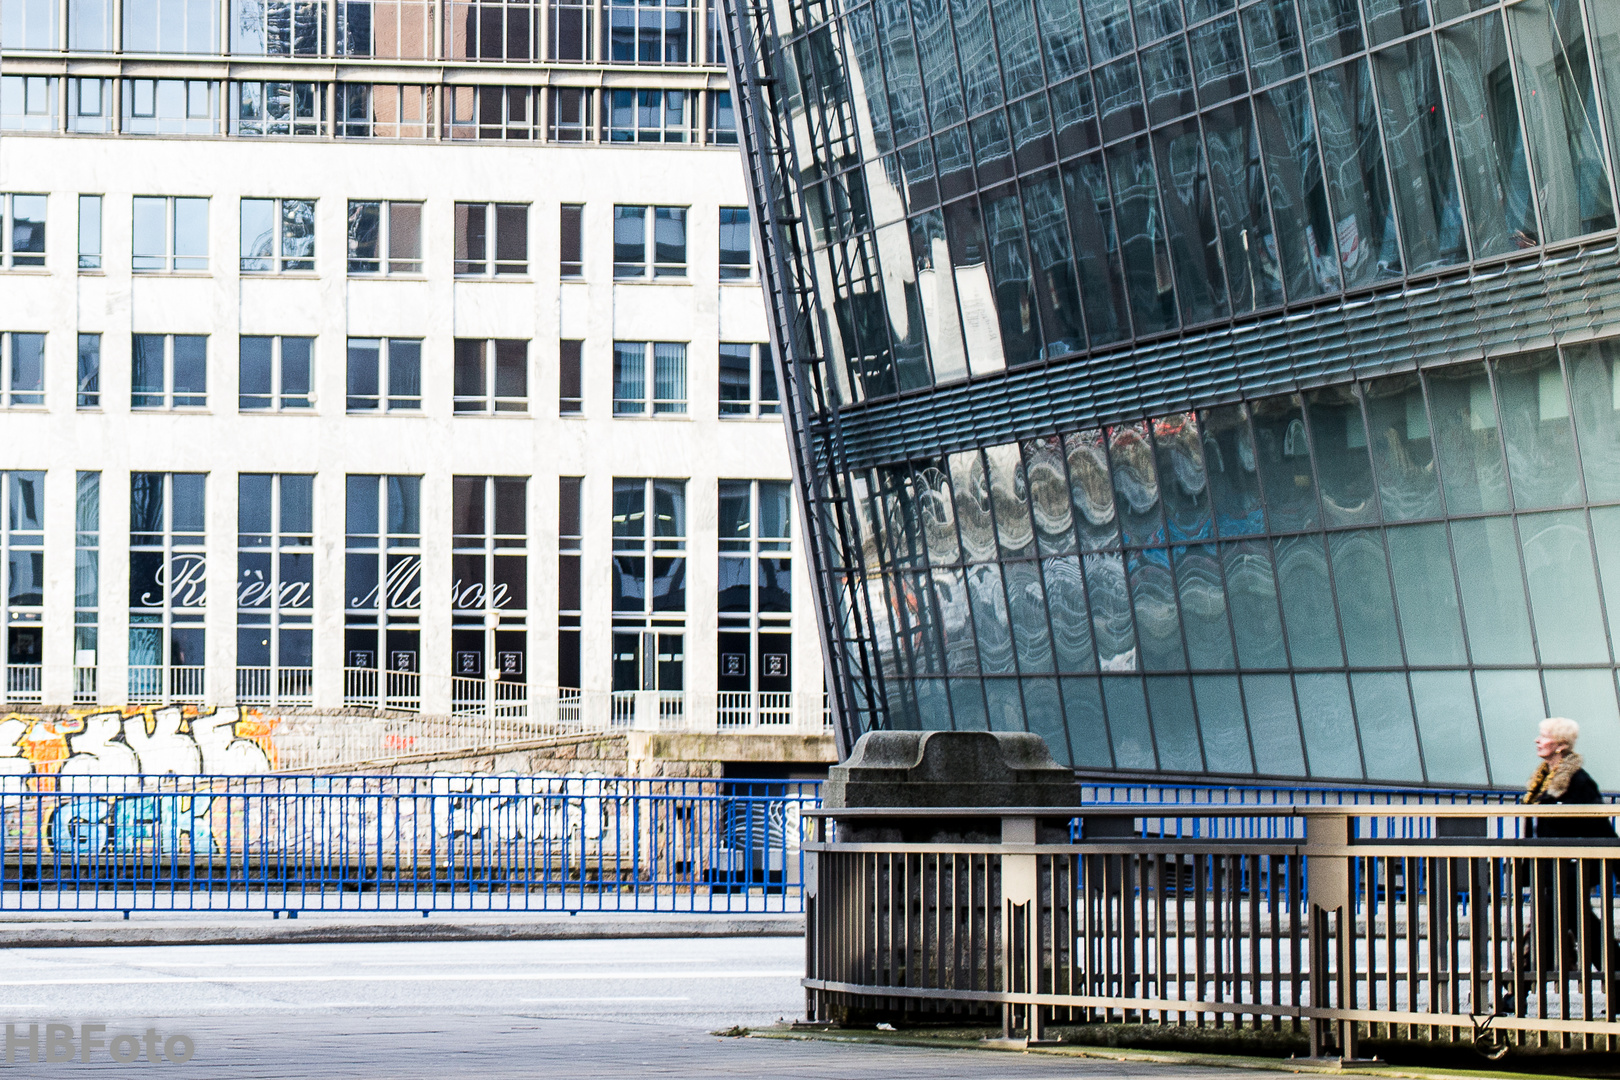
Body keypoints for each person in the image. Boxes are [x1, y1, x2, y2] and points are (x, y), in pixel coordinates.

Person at [1502, 718, 1618, 1013]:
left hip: (1570, 870)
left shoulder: (1578, 781)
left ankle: (1517, 994)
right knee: (1585, 931)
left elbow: (1601, 826)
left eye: (1544, 736)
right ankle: (1518, 993)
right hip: (1552, 870)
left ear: (1561, 745)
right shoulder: (1545, 777)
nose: (1537, 741)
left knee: (1547, 927)